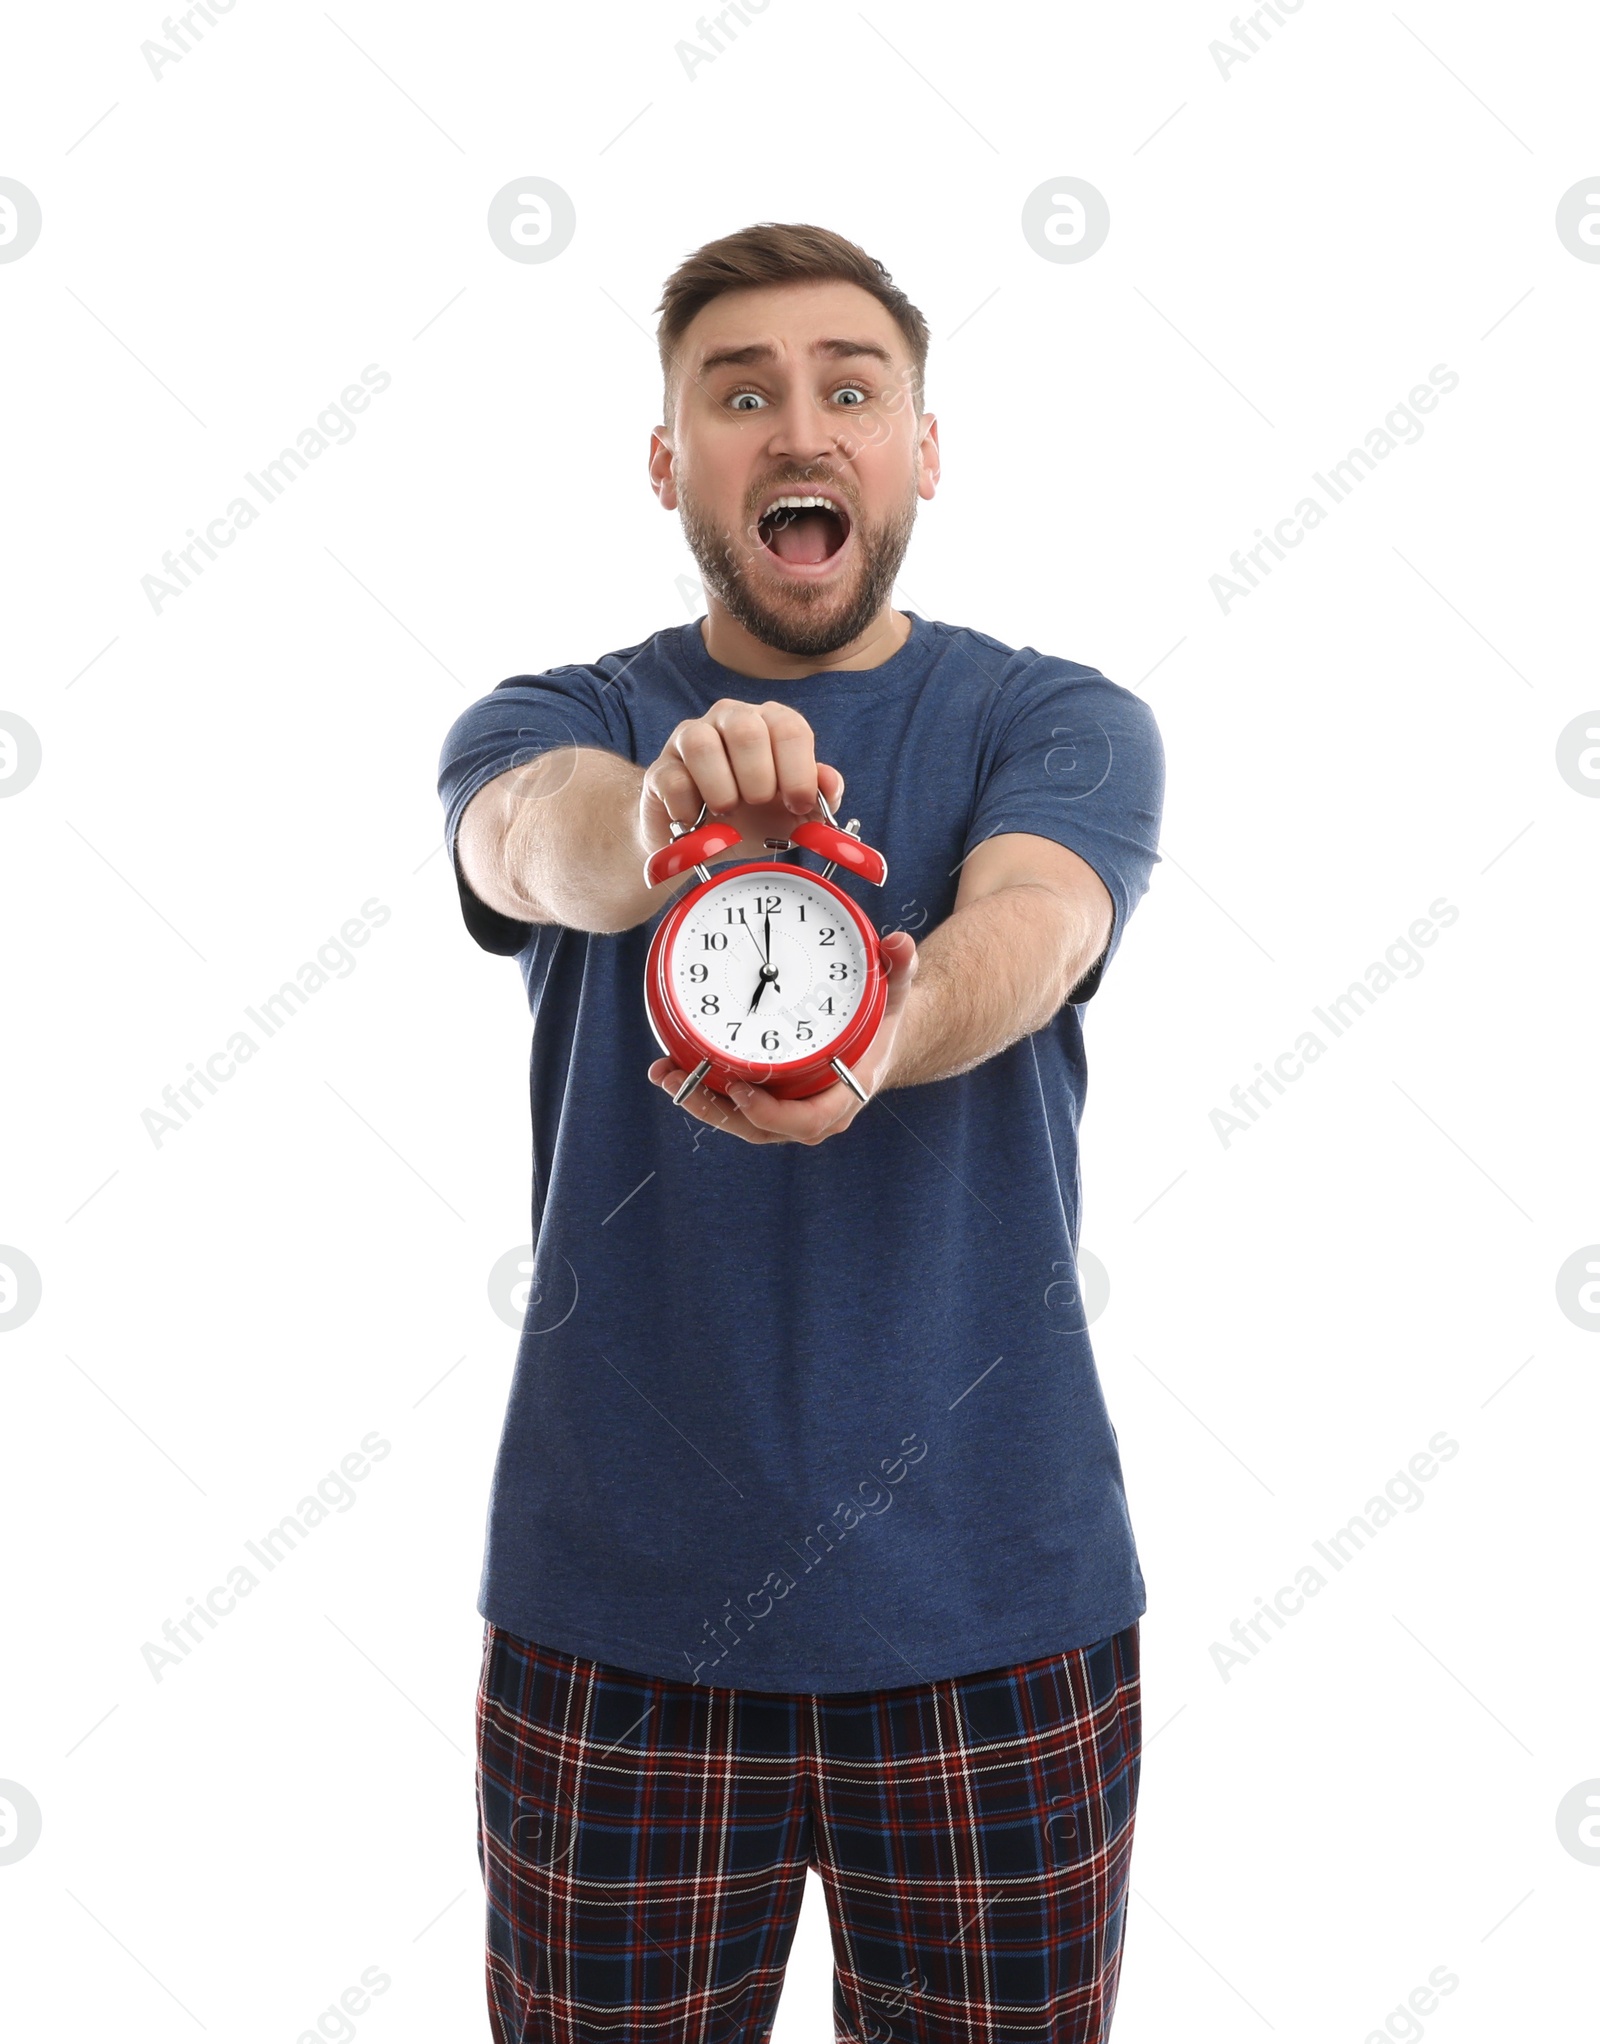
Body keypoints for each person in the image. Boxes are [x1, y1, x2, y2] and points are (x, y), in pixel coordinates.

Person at [437, 221, 1165, 2044]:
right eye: (739, 393)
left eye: (852, 387)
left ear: (923, 447)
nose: (799, 429)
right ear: (671, 461)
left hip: (997, 1614)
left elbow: (1038, 924)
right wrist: (664, 830)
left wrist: (886, 1020)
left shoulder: (1054, 721)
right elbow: (537, 839)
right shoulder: (564, 722)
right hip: (621, 1628)